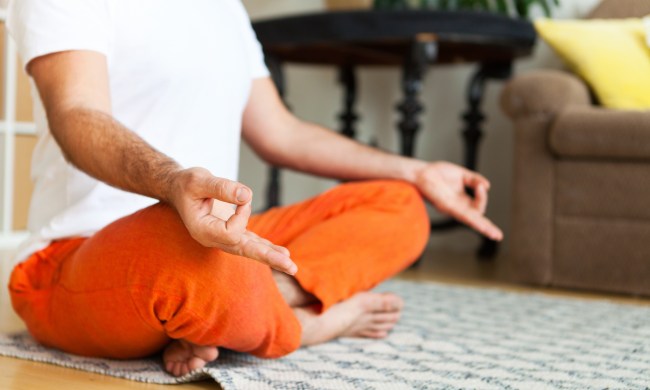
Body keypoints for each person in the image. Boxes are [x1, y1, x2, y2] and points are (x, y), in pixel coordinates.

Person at [6, 0, 503, 378]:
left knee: (398, 204)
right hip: (80, 258)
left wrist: (416, 172)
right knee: (188, 255)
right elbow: (77, 114)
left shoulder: (224, 8)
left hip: (219, 239)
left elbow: (282, 132)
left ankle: (227, 315)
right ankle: (303, 325)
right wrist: (173, 181)